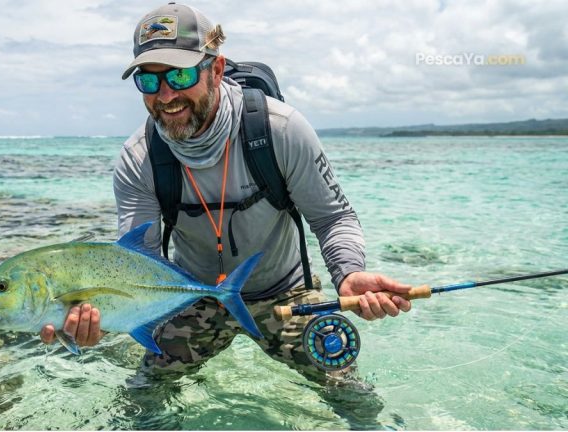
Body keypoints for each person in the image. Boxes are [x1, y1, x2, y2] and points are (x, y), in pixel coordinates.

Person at [41, 2, 412, 385]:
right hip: (190, 296)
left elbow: (332, 216)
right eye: (149, 81)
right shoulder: (139, 159)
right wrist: (111, 313)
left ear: (216, 69)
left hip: (286, 294)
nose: (166, 96)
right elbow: (139, 260)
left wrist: (348, 272)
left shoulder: (281, 130)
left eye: (181, 75)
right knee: (144, 396)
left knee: (349, 391)